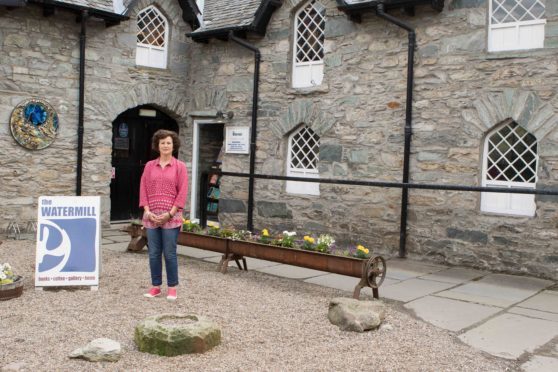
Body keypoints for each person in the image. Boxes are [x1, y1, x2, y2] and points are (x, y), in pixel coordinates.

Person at [139, 129, 188, 301]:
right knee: (153, 253)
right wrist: (147, 211)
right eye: (162, 143)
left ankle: (172, 287)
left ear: (173, 146)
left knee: (169, 253)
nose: (165, 145)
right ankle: (155, 287)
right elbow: (143, 190)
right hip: (151, 216)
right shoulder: (149, 166)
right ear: (157, 146)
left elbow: (182, 193)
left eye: (168, 143)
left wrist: (170, 213)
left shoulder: (180, 167)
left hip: (171, 218)